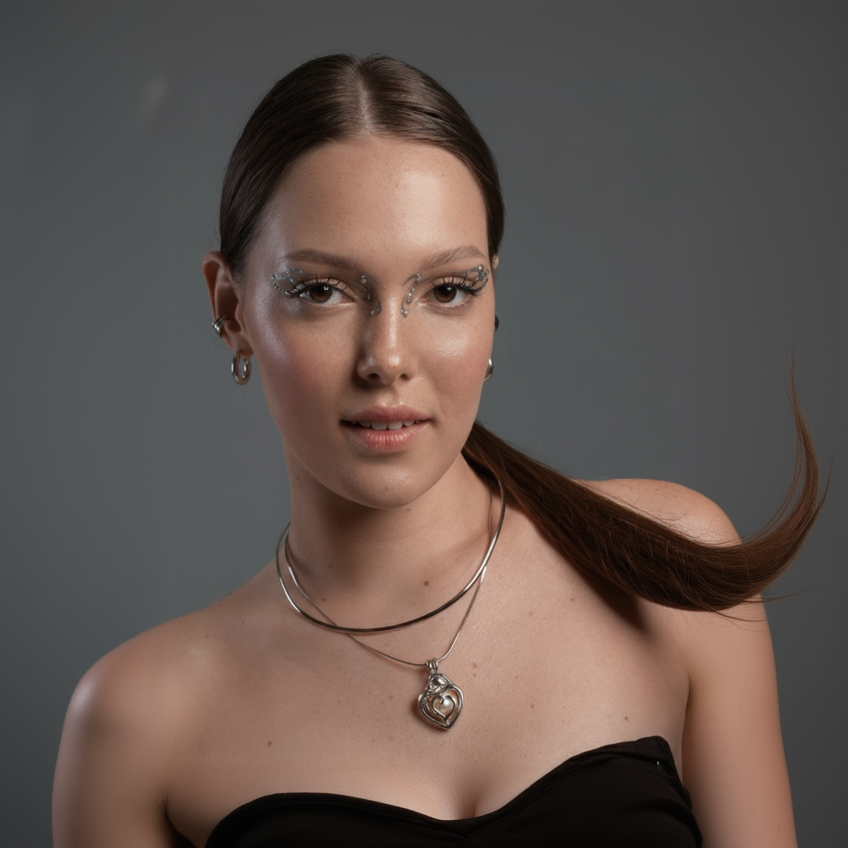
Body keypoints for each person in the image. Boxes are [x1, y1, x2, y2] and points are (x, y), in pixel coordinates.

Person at [52, 54, 821, 848]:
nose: (387, 358)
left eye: (447, 290)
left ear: (492, 302)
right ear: (230, 309)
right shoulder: (136, 722)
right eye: (321, 290)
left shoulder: (669, 567)